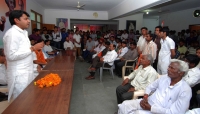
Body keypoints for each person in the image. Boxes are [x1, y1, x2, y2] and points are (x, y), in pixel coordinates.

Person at [117, 59, 191, 114]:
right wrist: (145, 97)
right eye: (169, 67)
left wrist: (151, 108)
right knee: (125, 105)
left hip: (159, 110)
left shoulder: (185, 90)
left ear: (181, 73)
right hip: (147, 102)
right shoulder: (164, 78)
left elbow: (176, 112)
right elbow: (150, 87)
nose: (168, 69)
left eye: (172, 68)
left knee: (137, 113)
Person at [3, 10, 43, 101]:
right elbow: (11, 56)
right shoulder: (12, 34)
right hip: (19, 75)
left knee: (29, 100)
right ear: (16, 20)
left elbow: (26, 53)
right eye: (25, 19)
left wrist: (35, 65)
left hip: (27, 72)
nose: (29, 21)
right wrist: (33, 48)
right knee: (21, 102)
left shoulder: (23, 33)